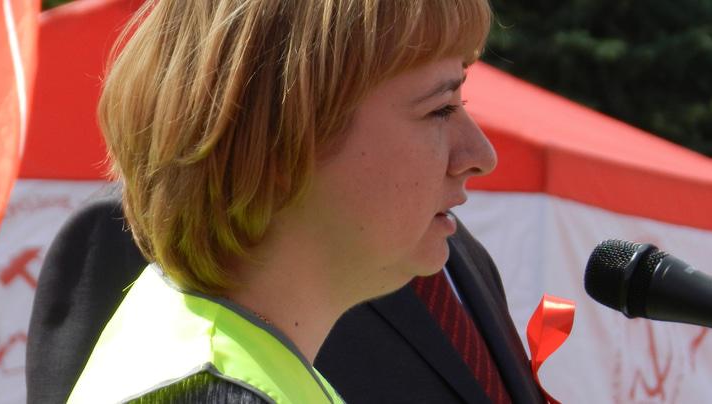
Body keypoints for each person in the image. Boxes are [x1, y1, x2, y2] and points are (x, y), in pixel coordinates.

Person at [27, 0, 544, 402]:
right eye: (441, 108)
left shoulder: (224, 359)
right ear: (281, 138)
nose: (481, 155)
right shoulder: (213, 387)